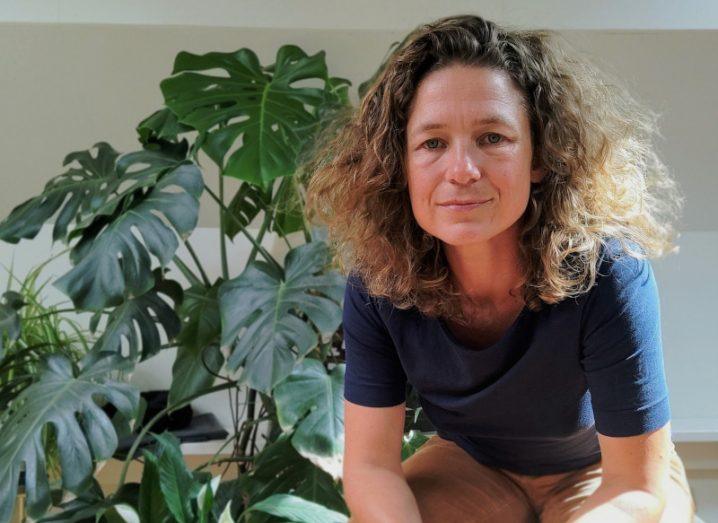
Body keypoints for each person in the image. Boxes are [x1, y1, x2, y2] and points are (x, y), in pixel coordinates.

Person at [303, 13, 696, 523]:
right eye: (432, 143)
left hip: (604, 470)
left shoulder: (609, 273)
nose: (462, 170)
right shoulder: (379, 283)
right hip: (470, 465)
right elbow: (372, 469)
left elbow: (634, 488)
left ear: (540, 156)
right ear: (399, 164)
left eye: (493, 138)